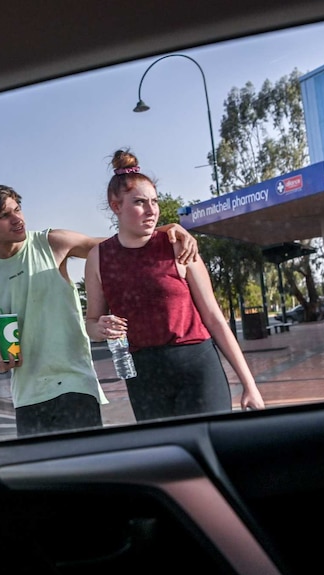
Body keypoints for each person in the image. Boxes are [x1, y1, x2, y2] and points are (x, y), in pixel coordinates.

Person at [0, 183, 199, 437]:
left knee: (86, 469)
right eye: (4, 216)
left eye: (17, 209)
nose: (17, 219)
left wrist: (167, 231)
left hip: (75, 382)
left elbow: (116, 245)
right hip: (27, 393)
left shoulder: (51, 242)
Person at [84, 149, 266, 423]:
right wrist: (99, 328)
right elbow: (91, 324)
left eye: (154, 201)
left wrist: (249, 385)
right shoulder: (98, 257)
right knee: (168, 459)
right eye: (139, 202)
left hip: (198, 368)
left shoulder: (177, 245)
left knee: (216, 447)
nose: (151, 210)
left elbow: (215, 319)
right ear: (116, 206)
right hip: (144, 376)